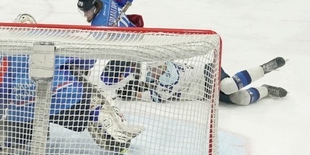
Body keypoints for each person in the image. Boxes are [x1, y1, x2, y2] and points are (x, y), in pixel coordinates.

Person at [0, 15, 144, 155]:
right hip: (64, 100)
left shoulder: (8, 52)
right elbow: (88, 61)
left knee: (13, 128)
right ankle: (109, 129)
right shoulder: (52, 42)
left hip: (26, 110)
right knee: (92, 95)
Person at [115, 57, 288, 105]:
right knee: (240, 99)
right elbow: (153, 88)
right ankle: (266, 90)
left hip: (208, 74)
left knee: (227, 86)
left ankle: (264, 69)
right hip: (208, 93)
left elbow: (160, 97)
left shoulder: (168, 77)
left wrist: (135, 93)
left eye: (155, 69)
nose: (153, 72)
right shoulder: (157, 77)